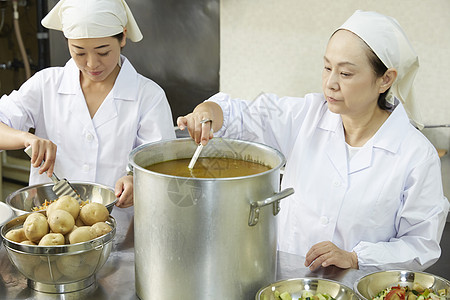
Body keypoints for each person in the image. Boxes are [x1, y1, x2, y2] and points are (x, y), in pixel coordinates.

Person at [177, 10, 449, 271]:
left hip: (356, 290)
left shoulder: (415, 154)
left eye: (345, 73)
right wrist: (208, 112)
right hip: (286, 286)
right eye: (327, 67)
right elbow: (246, 115)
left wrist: (356, 258)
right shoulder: (305, 116)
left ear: (385, 79)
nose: (330, 83)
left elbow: (420, 244)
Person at [0, 0, 175, 208]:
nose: (91, 64)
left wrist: (136, 181)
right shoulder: (45, 84)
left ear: (123, 37)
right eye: (79, 52)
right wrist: (25, 138)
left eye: (103, 52)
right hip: (50, 233)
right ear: (67, 42)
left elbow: (163, 167)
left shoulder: (148, 96)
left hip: (122, 231)